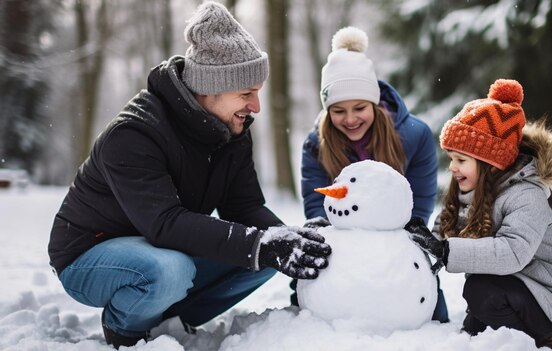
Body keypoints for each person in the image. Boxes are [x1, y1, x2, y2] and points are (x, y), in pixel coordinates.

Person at [47, 2, 331, 349]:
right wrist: (260, 244)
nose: (256, 106)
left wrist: (289, 240)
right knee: (173, 269)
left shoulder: (232, 130)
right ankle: (124, 328)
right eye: (246, 94)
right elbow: (165, 223)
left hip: (160, 247)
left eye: (258, 92)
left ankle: (170, 325)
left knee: (264, 256)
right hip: (88, 255)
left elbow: (244, 206)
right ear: (209, 89)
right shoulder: (134, 135)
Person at [409, 79, 552, 350]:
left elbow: (513, 252)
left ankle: (550, 337)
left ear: (489, 163)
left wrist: (447, 251)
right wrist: (421, 240)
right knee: (476, 325)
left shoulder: (526, 195)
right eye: (451, 158)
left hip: (549, 294)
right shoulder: (469, 189)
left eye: (461, 160)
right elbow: (445, 230)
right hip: (513, 285)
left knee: (480, 292)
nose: (453, 168)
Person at [298, 26, 449, 323]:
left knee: (430, 315)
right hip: (343, 246)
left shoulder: (414, 136)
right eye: (338, 111)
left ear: (375, 103)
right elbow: (317, 206)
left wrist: (397, 251)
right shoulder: (316, 144)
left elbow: (418, 206)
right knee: (318, 312)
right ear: (327, 111)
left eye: (359, 108)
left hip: (396, 242)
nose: (351, 119)